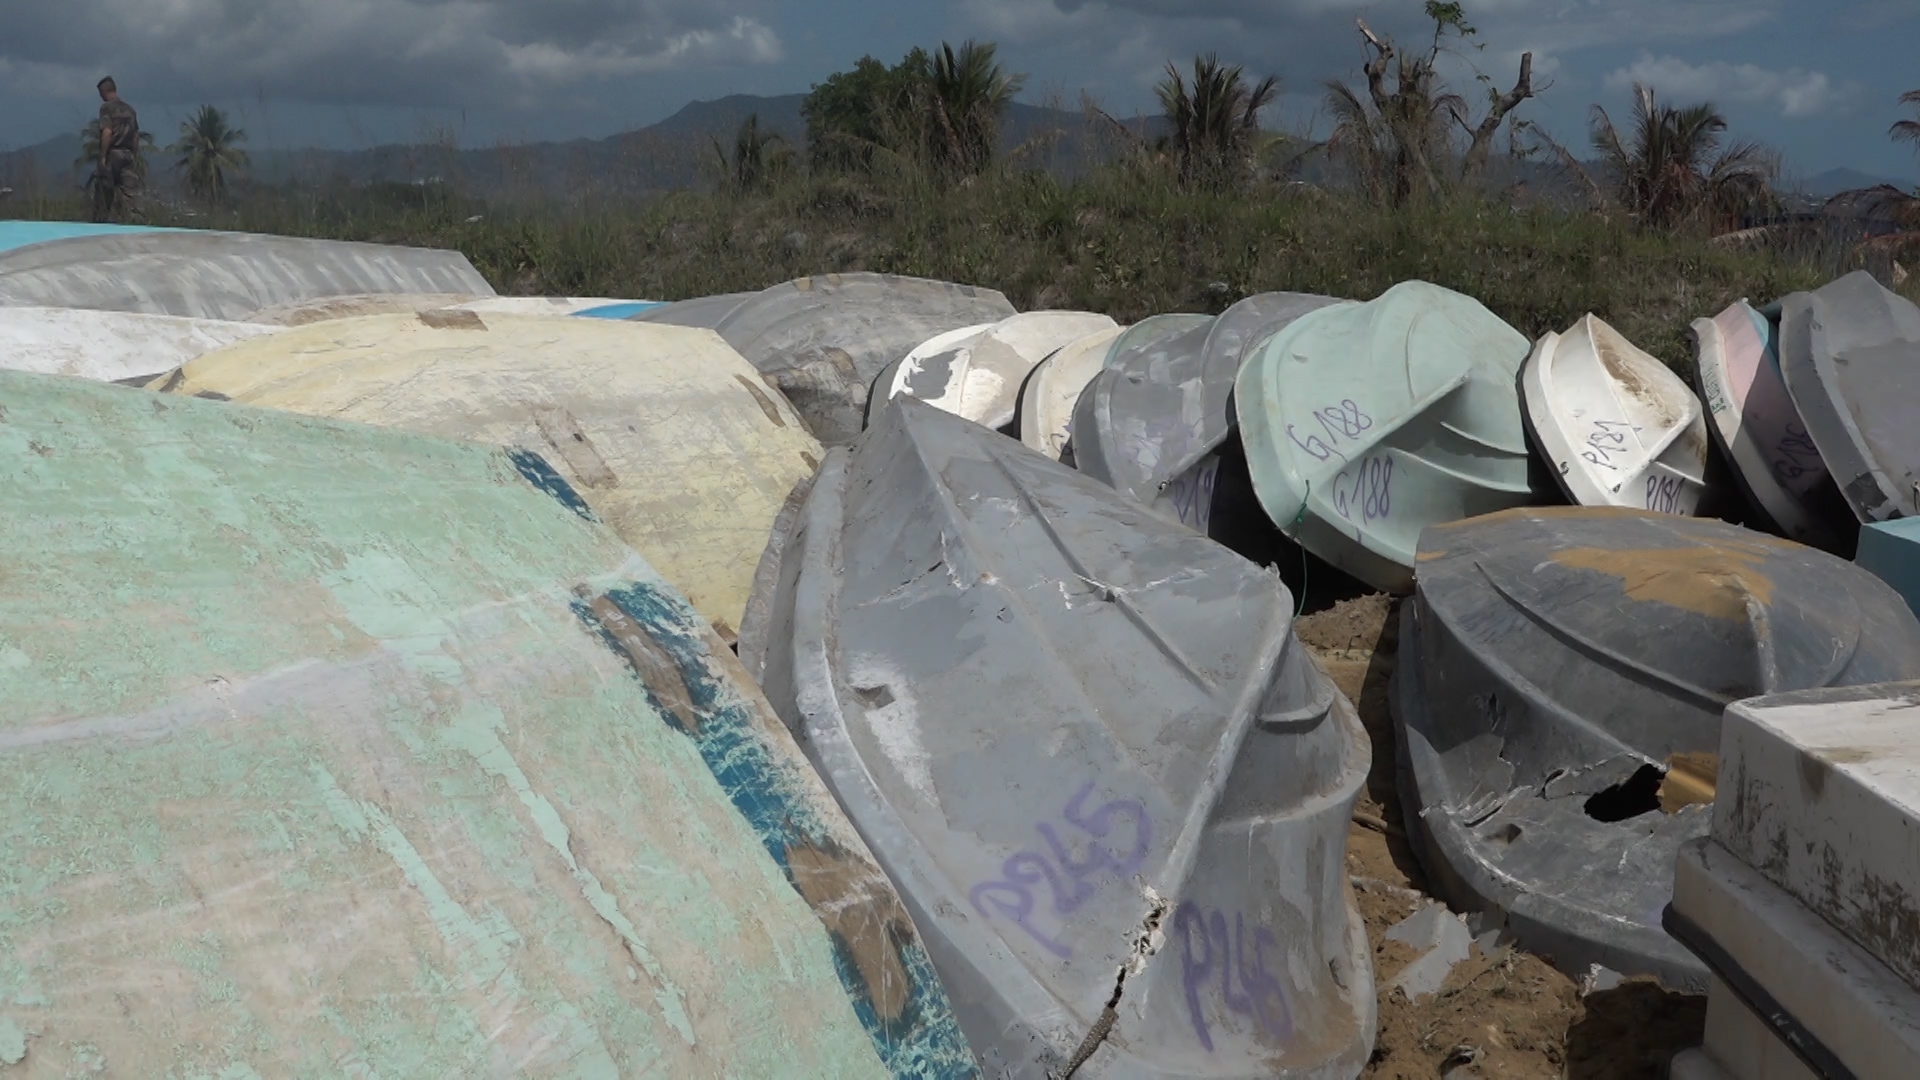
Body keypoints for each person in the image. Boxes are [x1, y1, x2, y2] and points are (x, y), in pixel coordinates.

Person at [91, 76, 141, 222]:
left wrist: (103, 156)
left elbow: (107, 131)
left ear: (103, 91)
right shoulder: (130, 110)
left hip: (113, 154)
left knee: (104, 195)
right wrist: (134, 155)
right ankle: (134, 223)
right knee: (130, 196)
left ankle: (100, 223)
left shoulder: (107, 108)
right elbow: (136, 135)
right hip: (128, 154)